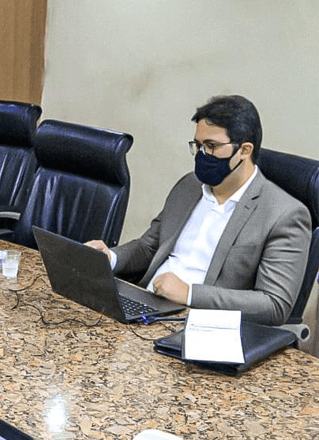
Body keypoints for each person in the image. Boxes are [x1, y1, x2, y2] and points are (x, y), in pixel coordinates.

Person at [87, 95, 310, 326]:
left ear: (244, 150)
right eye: (198, 145)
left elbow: (274, 305)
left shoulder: (285, 214)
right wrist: (109, 258)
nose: (202, 154)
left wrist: (190, 293)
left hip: (200, 324)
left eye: (211, 146)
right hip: (146, 307)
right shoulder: (189, 185)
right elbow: (149, 247)